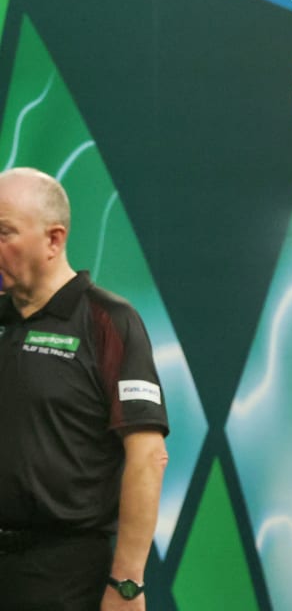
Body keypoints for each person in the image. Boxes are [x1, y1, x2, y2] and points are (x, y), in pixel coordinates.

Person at [0, 168, 169, 610]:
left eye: (4, 233)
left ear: (54, 240)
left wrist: (127, 584)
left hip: (65, 576)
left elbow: (148, 457)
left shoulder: (108, 322)